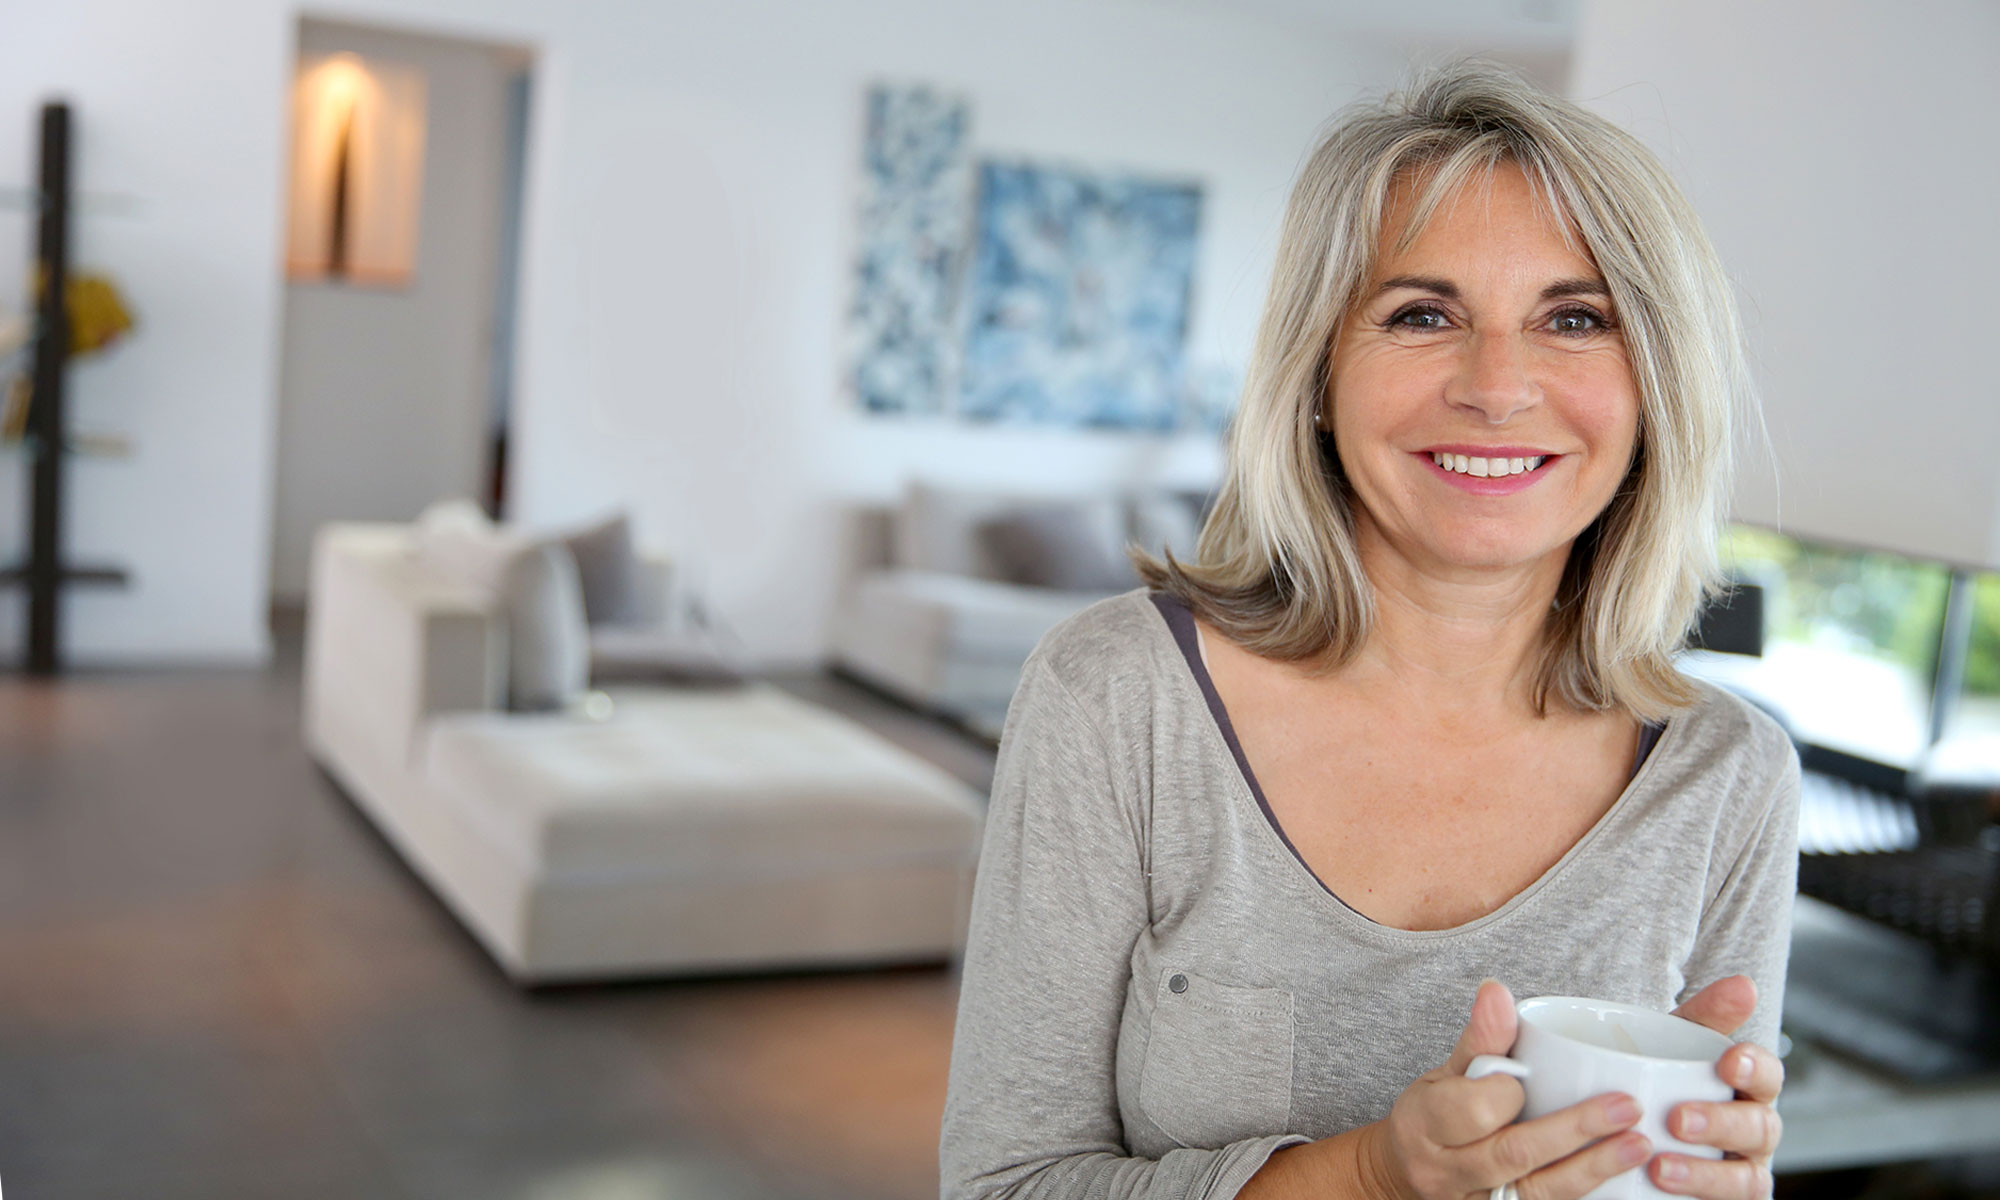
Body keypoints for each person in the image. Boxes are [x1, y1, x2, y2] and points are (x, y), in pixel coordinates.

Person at [939, 61, 1800, 1200]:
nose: (1497, 386)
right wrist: (1370, 1175)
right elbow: (1004, 1185)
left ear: (1654, 389)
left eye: (1575, 318)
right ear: (1317, 371)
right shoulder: (1118, 696)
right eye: (1421, 314)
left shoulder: (1727, 777)